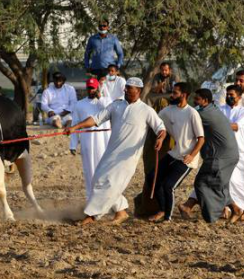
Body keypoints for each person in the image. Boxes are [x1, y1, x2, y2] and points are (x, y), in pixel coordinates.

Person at [66, 77, 166, 225]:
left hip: (127, 158)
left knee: (109, 184)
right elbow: (95, 119)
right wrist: (75, 127)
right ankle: (121, 211)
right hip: (111, 152)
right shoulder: (116, 106)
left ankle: (91, 216)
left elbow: (161, 128)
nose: (125, 90)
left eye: (129, 88)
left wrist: (160, 139)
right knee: (97, 180)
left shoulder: (146, 110)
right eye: (125, 87)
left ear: (138, 91)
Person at [178, 89, 239, 223]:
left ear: (205, 101)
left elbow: (185, 119)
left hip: (222, 156)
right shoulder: (212, 109)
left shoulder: (204, 114)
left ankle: (211, 214)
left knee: (201, 182)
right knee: (219, 184)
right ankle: (235, 209)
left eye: (197, 99)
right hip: (227, 154)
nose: (195, 101)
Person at [147, 83, 204, 222]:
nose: (171, 95)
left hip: (187, 158)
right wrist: (160, 139)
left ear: (184, 95)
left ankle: (167, 218)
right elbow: (159, 126)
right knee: (152, 178)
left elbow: (201, 139)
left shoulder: (192, 113)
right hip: (174, 153)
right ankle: (162, 209)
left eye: (175, 93)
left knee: (168, 185)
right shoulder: (168, 110)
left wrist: (191, 155)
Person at [69, 78, 112, 199]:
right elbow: (75, 124)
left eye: (93, 88)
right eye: (89, 88)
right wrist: (73, 144)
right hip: (87, 144)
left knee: (104, 172)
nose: (91, 90)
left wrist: (100, 97)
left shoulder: (106, 101)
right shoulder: (79, 104)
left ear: (98, 88)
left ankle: (106, 200)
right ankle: (90, 200)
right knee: (89, 172)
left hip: (104, 143)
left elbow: (110, 109)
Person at [218, 85, 244, 222]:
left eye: (232, 95)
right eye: (227, 94)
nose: (229, 97)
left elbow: (236, 126)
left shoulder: (242, 111)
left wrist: (218, 124)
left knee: (238, 182)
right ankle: (228, 209)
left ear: (239, 97)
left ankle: (240, 209)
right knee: (226, 180)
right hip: (222, 151)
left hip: (239, 151)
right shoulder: (220, 109)